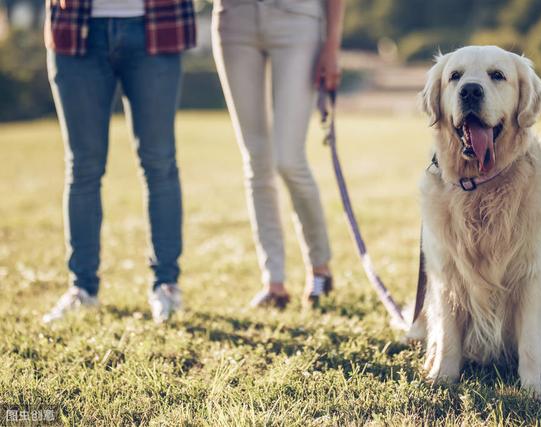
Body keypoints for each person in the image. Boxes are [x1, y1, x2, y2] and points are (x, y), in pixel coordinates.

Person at [42, 0, 196, 324]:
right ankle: (82, 288)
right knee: (82, 167)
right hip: (76, 25)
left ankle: (166, 284)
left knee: (160, 163)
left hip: (155, 21)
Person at [212, 0, 345, 308]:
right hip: (235, 20)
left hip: (298, 20)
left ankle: (320, 266)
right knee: (256, 159)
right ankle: (274, 282)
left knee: (288, 158)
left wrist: (332, 47)